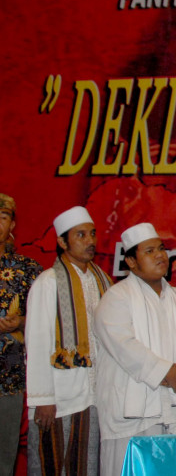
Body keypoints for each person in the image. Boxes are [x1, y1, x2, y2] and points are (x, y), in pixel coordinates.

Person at [93, 223, 176, 476]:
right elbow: (125, 348)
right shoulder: (115, 298)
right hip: (132, 417)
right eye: (149, 251)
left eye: (161, 249)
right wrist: (167, 373)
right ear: (131, 261)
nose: (160, 256)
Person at [25, 207, 112, 476]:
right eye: (81, 235)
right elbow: (37, 342)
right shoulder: (48, 282)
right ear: (62, 242)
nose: (90, 241)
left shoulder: (103, 281)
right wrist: (43, 398)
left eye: (93, 234)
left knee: (86, 467)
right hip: (59, 397)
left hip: (95, 396)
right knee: (53, 464)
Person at [0, 193, 41, 476]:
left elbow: (48, 319)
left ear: (12, 223)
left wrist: (21, 321)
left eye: (2, 218)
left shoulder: (28, 270)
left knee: (5, 455)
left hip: (10, 378)